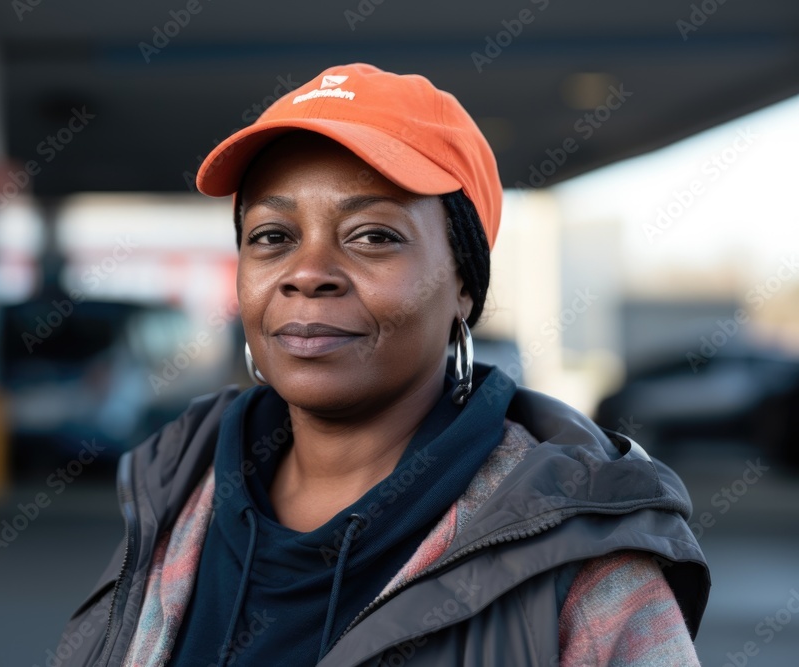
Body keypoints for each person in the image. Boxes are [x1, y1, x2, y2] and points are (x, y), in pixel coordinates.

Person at [55, 63, 709, 667]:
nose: (307, 273)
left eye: (373, 236)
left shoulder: (586, 563)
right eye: (272, 237)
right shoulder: (174, 489)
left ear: (463, 285)